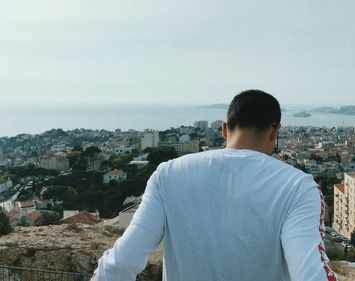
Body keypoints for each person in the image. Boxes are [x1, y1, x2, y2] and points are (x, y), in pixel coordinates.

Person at [91, 90, 339, 281]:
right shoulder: (298, 187)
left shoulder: (168, 174)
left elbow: (122, 263)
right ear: (275, 131)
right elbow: (312, 274)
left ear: (224, 129)